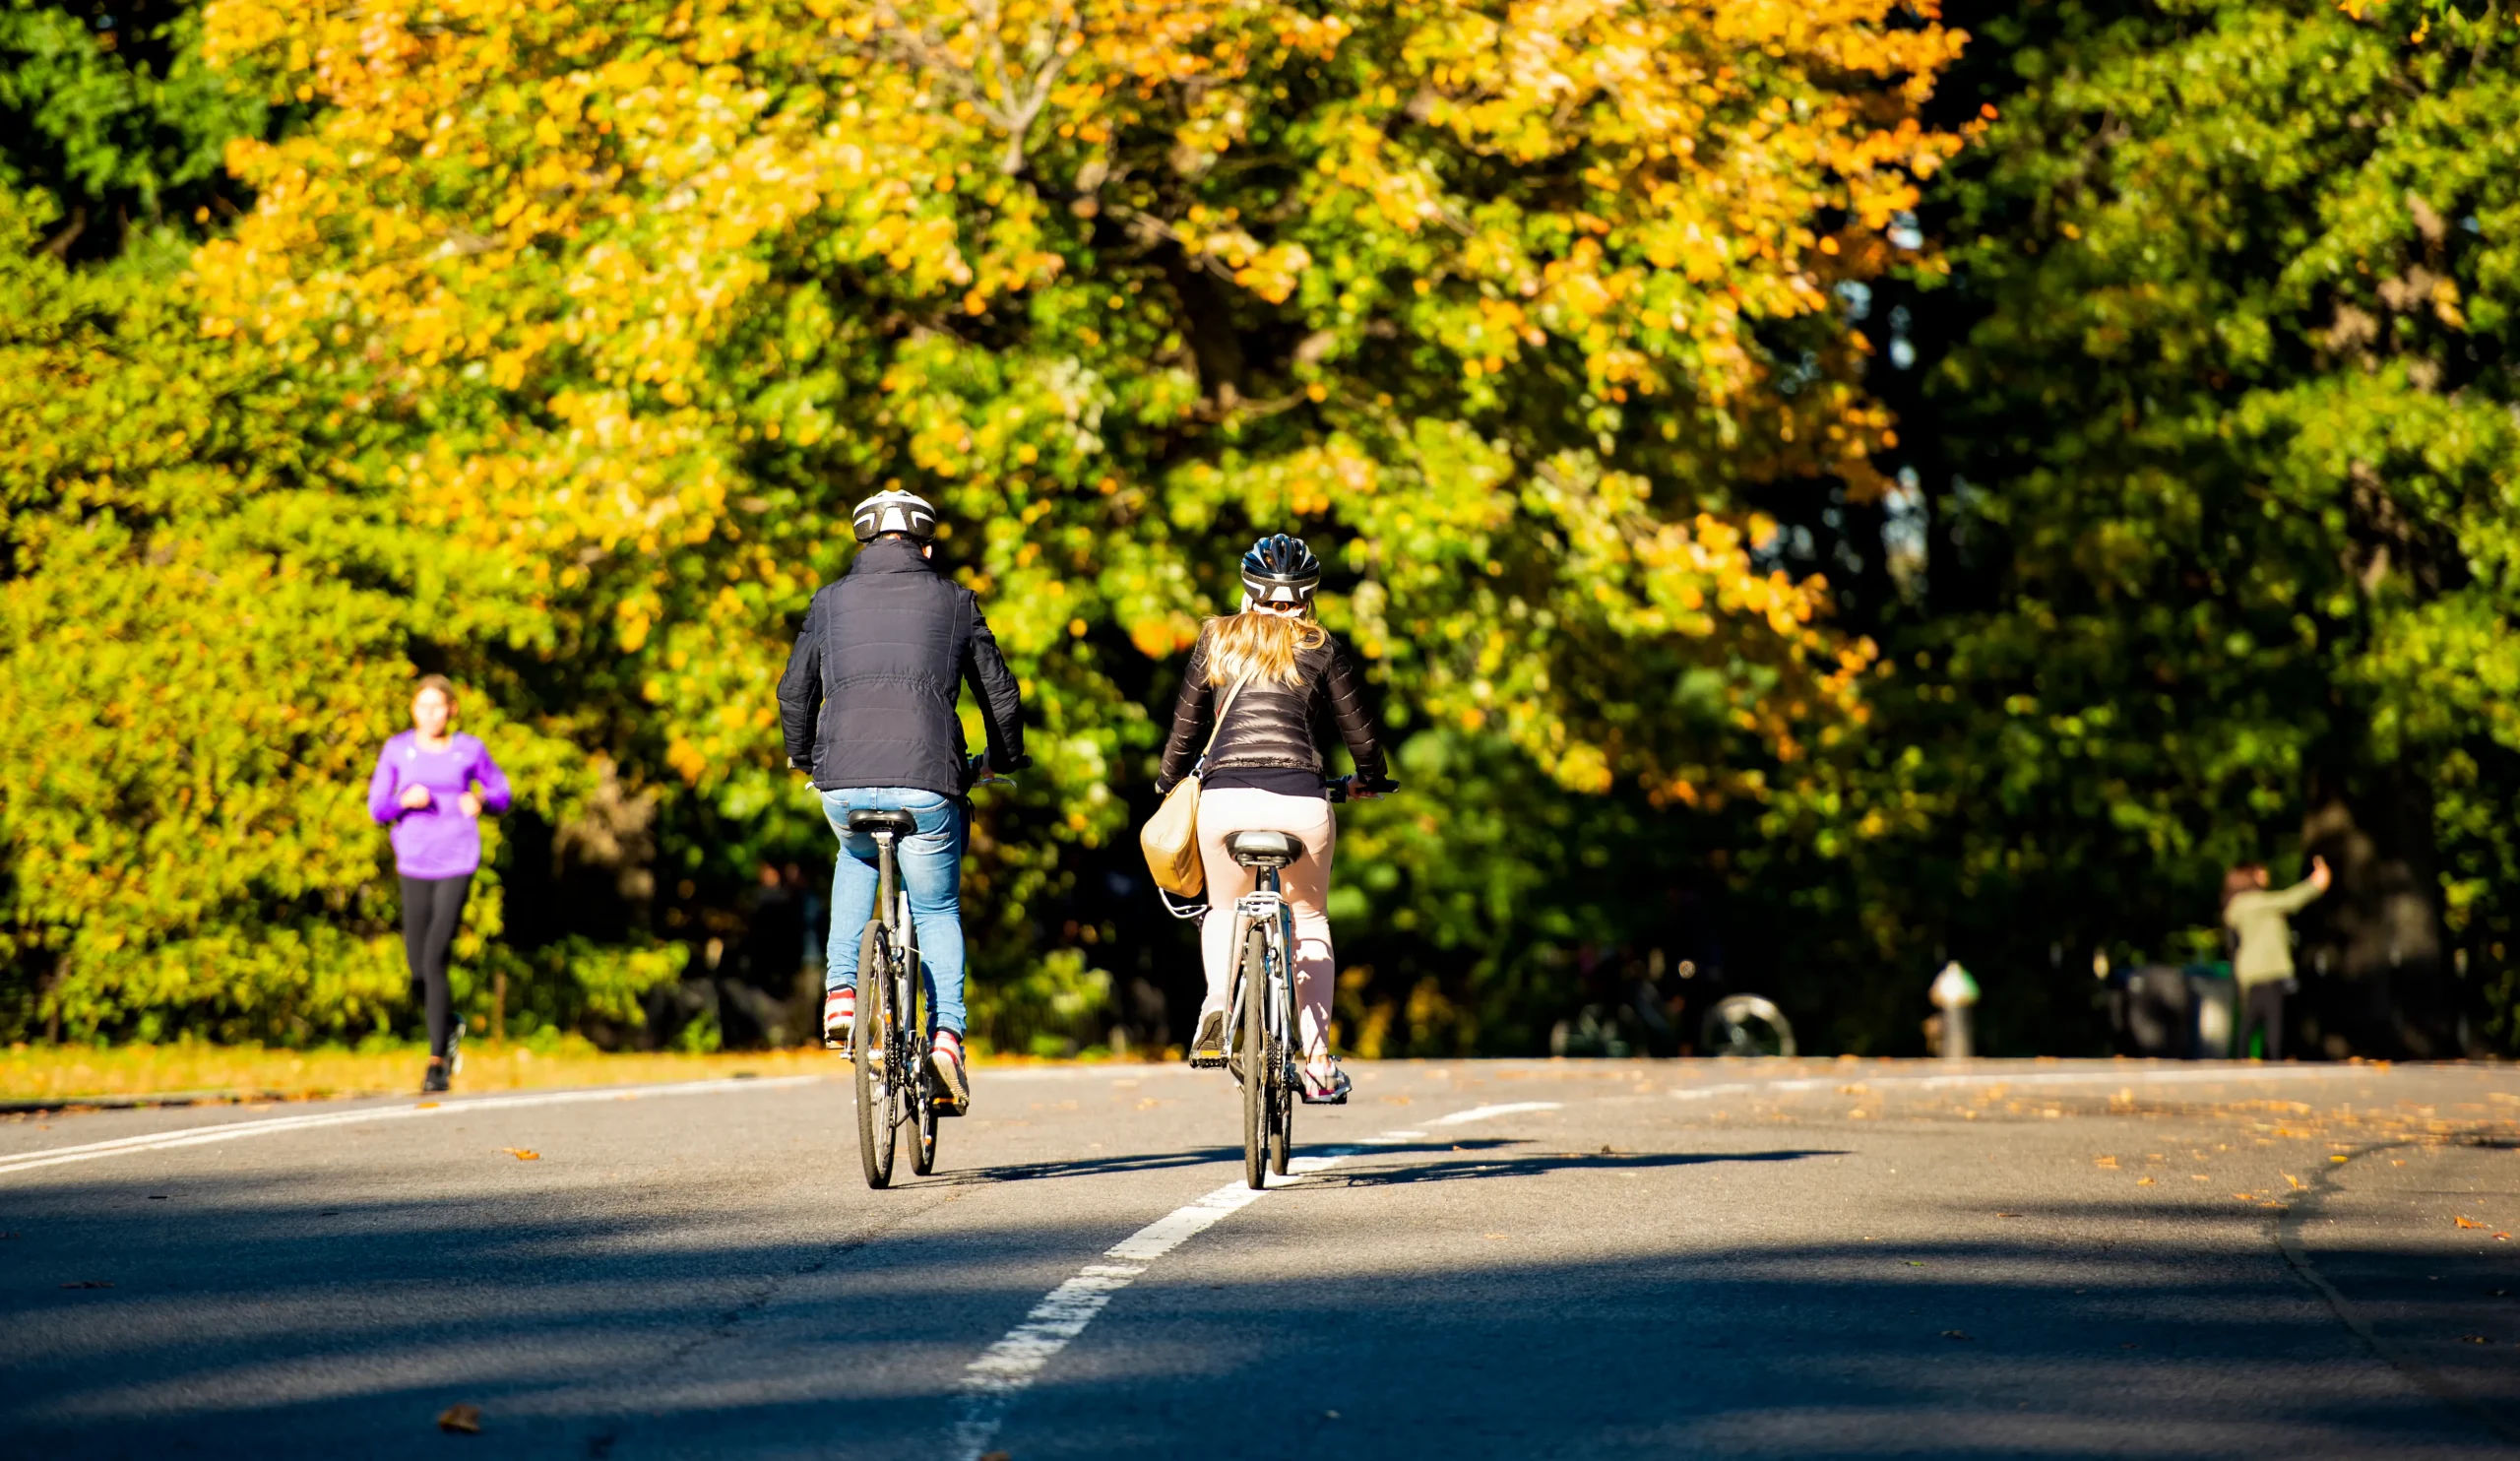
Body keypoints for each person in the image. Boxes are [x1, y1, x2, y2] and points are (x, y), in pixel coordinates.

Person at [777, 489, 1028, 1112]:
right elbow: (1001, 695)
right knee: (937, 907)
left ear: (862, 543)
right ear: (927, 546)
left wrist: (805, 757)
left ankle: (839, 993)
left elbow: (792, 692)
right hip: (928, 778)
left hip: (844, 779)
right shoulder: (955, 600)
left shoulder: (828, 601)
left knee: (855, 855)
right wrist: (1001, 758)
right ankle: (945, 1041)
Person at [1156, 533, 1392, 1103]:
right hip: (1302, 801)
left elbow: (1184, 735)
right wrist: (1369, 779)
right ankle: (1315, 1062)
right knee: (1308, 918)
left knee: (1224, 907)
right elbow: (1360, 737)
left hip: (1224, 803)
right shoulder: (1321, 645)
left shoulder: (1216, 640)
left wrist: (1168, 787)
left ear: (1248, 594)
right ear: (1307, 599)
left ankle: (1217, 1007)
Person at [366, 675, 512, 1093]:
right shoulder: (398, 750)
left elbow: (503, 791)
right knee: (416, 967)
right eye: (422, 706)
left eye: (437, 706)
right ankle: (447, 1024)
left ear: (451, 709)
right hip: (414, 860)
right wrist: (402, 801)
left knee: (434, 956)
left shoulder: (469, 749)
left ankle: (436, 1063)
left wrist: (481, 800)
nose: (430, 714)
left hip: (457, 859)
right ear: (413, 710)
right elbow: (377, 807)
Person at [2222, 855, 2331, 1060]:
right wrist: (2315, 884)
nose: (2266, 875)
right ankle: (2273, 1061)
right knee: (2274, 1021)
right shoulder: (2256, 903)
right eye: (2261, 872)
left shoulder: (2239, 906)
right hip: (2268, 970)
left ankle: (2242, 1060)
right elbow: (2289, 900)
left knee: (2251, 1020)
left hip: (2249, 971)